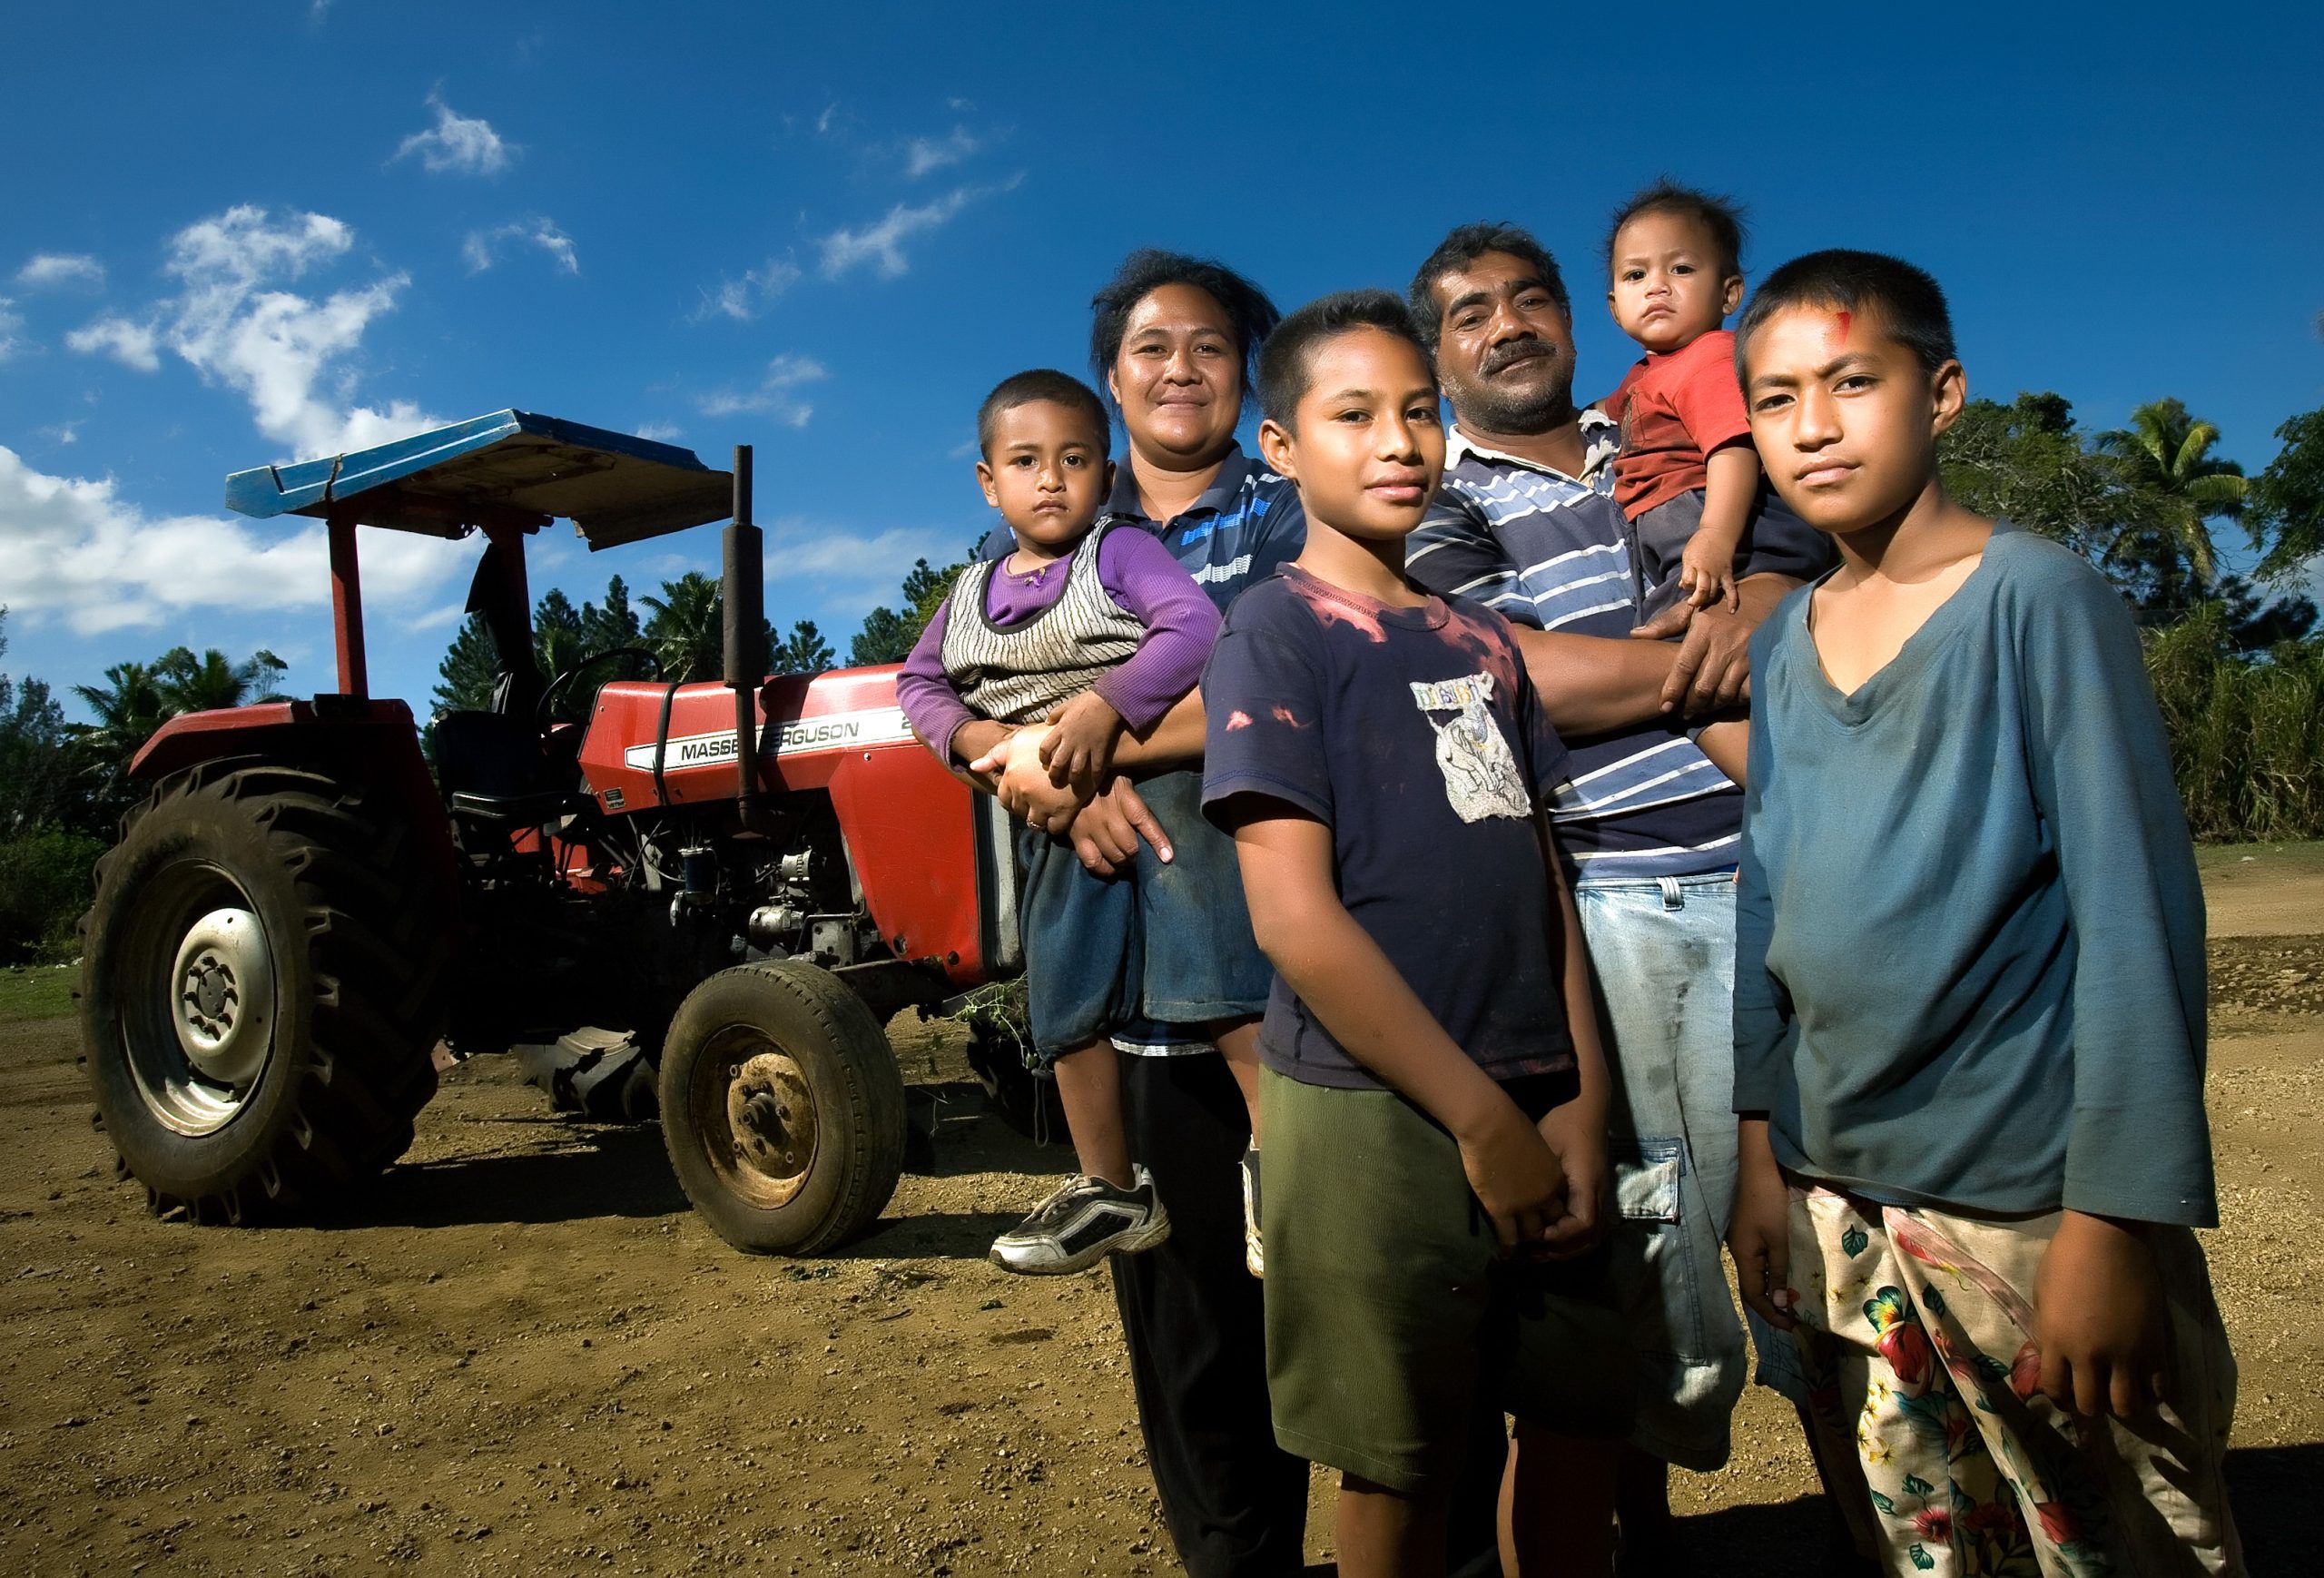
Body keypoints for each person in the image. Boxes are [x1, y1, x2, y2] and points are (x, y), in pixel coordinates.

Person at [1725, 248, 2244, 1575]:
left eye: (1854, 380)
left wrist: (2116, 1223)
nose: (1815, 425)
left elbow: (2136, 912)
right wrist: (1757, 1151)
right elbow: (1768, 898)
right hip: (1846, 1200)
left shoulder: (2038, 600)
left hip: (2027, 1208)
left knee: (2121, 1542)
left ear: (1941, 391)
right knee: (1931, 1547)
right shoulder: (1783, 642)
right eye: (1777, 398)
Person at [1403, 222, 1851, 1572]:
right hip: (1620, 896)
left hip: (1799, 863)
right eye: (1472, 314)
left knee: (1831, 1233)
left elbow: (1806, 570)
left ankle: (1886, 1522)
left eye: (1529, 298)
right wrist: (1709, 650)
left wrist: (1736, 615)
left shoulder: (1669, 411)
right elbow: (1512, 674)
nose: (1507, 325)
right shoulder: (1439, 502)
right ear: (1444, 353)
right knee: (1643, 1239)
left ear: (1573, 316)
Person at [1203, 289, 1630, 1578]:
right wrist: (1480, 1120)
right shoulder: (1271, 633)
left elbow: (1542, 872)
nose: (1399, 441)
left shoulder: (1483, 641)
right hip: (1372, 1112)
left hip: (1539, 1093)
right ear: (1279, 447)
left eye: (1417, 411)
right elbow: (1293, 916)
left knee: (1573, 1432)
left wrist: (1578, 1102)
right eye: (1353, 416)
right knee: (1401, 1463)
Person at [970, 251, 1317, 1577]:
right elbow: (968, 705)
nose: (1182, 367)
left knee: (1340, 1307)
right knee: (1192, 1349)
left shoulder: (1294, 517)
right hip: (1130, 1001)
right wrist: (1050, 790)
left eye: (1212, 345)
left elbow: (1283, 679)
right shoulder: (1036, 546)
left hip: (1293, 977)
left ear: (1249, 374)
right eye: (1153, 347)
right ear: (1113, 378)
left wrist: (1094, 750)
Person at [896, 368, 1246, 1275]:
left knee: (1214, 957)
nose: (1050, 478)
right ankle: (1110, 1186)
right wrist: (983, 741)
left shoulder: (1120, 553)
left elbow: (1192, 628)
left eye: (1075, 459)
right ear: (987, 481)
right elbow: (917, 686)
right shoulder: (966, 594)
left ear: (1104, 473)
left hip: (1162, 770)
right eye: (1026, 460)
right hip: (1051, 808)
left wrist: (1105, 707)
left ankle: (1280, 1155)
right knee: (1064, 984)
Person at [1600, 182, 1802, 629]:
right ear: (1615, 308)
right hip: (1675, 520)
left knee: (1691, 627)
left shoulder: (1711, 358)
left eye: (1682, 269)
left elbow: (1732, 447)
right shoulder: (1645, 375)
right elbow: (1601, 412)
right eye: (1636, 275)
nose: (1656, 286)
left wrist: (1714, 534)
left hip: (1720, 513)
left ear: (1729, 293)